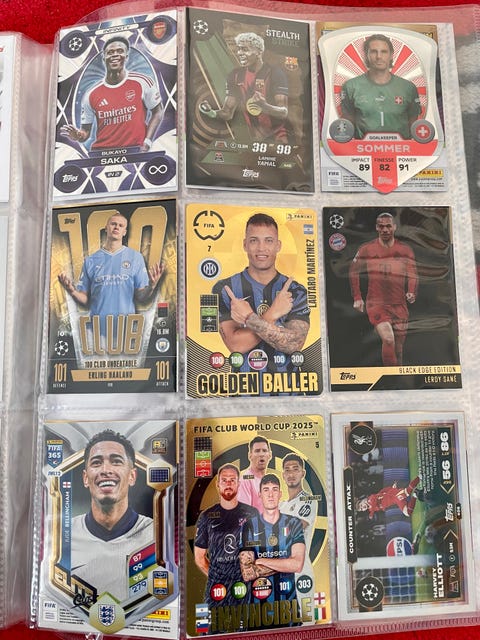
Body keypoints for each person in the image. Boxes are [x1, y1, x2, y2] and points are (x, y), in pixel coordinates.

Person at [212, 212, 310, 379]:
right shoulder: (225, 289)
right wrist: (272, 314)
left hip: (288, 388)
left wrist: (249, 318)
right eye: (254, 240)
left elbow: (294, 344)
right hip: (243, 388)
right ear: (245, 245)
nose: (261, 248)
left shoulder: (296, 290)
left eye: (268, 240)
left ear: (278, 245)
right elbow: (235, 346)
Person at [70, 429, 153, 600]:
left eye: (116, 461)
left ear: (132, 476)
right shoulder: (64, 535)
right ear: (85, 478)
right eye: (96, 462)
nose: (105, 470)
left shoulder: (156, 534)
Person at [58, 211, 163, 337]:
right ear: (106, 228)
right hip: (97, 332)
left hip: (126, 331)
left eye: (121, 225)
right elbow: (84, 299)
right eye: (113, 224)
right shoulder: (91, 260)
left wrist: (151, 286)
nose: (116, 227)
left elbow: (141, 296)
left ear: (124, 232)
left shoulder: (135, 257)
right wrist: (72, 291)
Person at [61, 36, 163, 151]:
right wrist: (78, 135)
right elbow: (85, 132)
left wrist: (147, 141)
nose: (115, 55)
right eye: (110, 52)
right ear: (104, 58)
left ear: (126, 57)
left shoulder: (142, 82)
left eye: (120, 51)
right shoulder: (91, 93)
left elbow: (158, 111)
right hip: (101, 153)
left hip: (135, 150)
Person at [349, 212, 418, 366]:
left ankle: (397, 375)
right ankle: (389, 376)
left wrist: (411, 291)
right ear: (376, 228)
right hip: (376, 304)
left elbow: (413, 273)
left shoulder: (405, 250)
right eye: (381, 226)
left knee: (398, 348)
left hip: (399, 304)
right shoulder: (367, 249)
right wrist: (357, 297)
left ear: (394, 227)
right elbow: (354, 270)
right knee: (388, 339)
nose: (385, 229)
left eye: (388, 226)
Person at [199, 32, 289, 143]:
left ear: (259, 52)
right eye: (239, 49)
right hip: (255, 140)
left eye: (245, 49)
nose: (239, 53)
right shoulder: (235, 75)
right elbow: (227, 112)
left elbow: (283, 112)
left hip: (278, 137)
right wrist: (211, 112)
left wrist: (264, 106)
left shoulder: (275, 73)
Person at [194, 464, 258, 613]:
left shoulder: (252, 513)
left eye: (232, 480)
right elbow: (199, 558)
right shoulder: (207, 516)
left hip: (247, 589)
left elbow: (261, 551)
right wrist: (218, 578)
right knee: (213, 626)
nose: (228, 484)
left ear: (238, 483)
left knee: (248, 626)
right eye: (224, 480)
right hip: (217, 591)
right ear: (217, 484)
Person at [239, 474, 305, 611]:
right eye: (266, 490)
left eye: (274, 489)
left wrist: (260, 561)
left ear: (280, 494)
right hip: (257, 611)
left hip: (289, 609)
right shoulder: (249, 526)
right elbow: (248, 573)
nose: (270, 495)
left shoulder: (293, 523)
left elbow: (297, 565)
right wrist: (286, 563)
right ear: (259, 494)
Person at [340, 34, 421, 139]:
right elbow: (348, 126)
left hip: (401, 147)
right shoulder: (351, 86)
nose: (379, 56)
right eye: (374, 51)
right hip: (363, 147)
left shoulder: (408, 88)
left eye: (384, 52)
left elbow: (413, 124)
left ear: (391, 55)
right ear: (366, 55)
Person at [279, 454, 316, 601]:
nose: (291, 474)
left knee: (304, 614)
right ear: (283, 475)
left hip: (301, 572)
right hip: (281, 571)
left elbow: (293, 530)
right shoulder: (280, 505)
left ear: (303, 473)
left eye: (295, 469)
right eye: (287, 470)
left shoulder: (308, 500)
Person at [356, 476, 423, 519]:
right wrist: (391, 488)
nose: (363, 507)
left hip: (394, 495)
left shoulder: (370, 499)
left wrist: (371, 513)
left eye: (361, 505)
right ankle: (415, 494)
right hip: (395, 500)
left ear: (362, 501)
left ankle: (419, 477)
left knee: (408, 491)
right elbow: (383, 491)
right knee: (408, 513)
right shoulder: (371, 509)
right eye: (361, 509)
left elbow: (374, 502)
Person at [237, 436, 272, 512]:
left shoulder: (269, 481)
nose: (261, 454)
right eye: (257, 451)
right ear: (250, 455)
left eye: (264, 450)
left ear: (270, 455)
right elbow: (243, 514)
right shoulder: (245, 480)